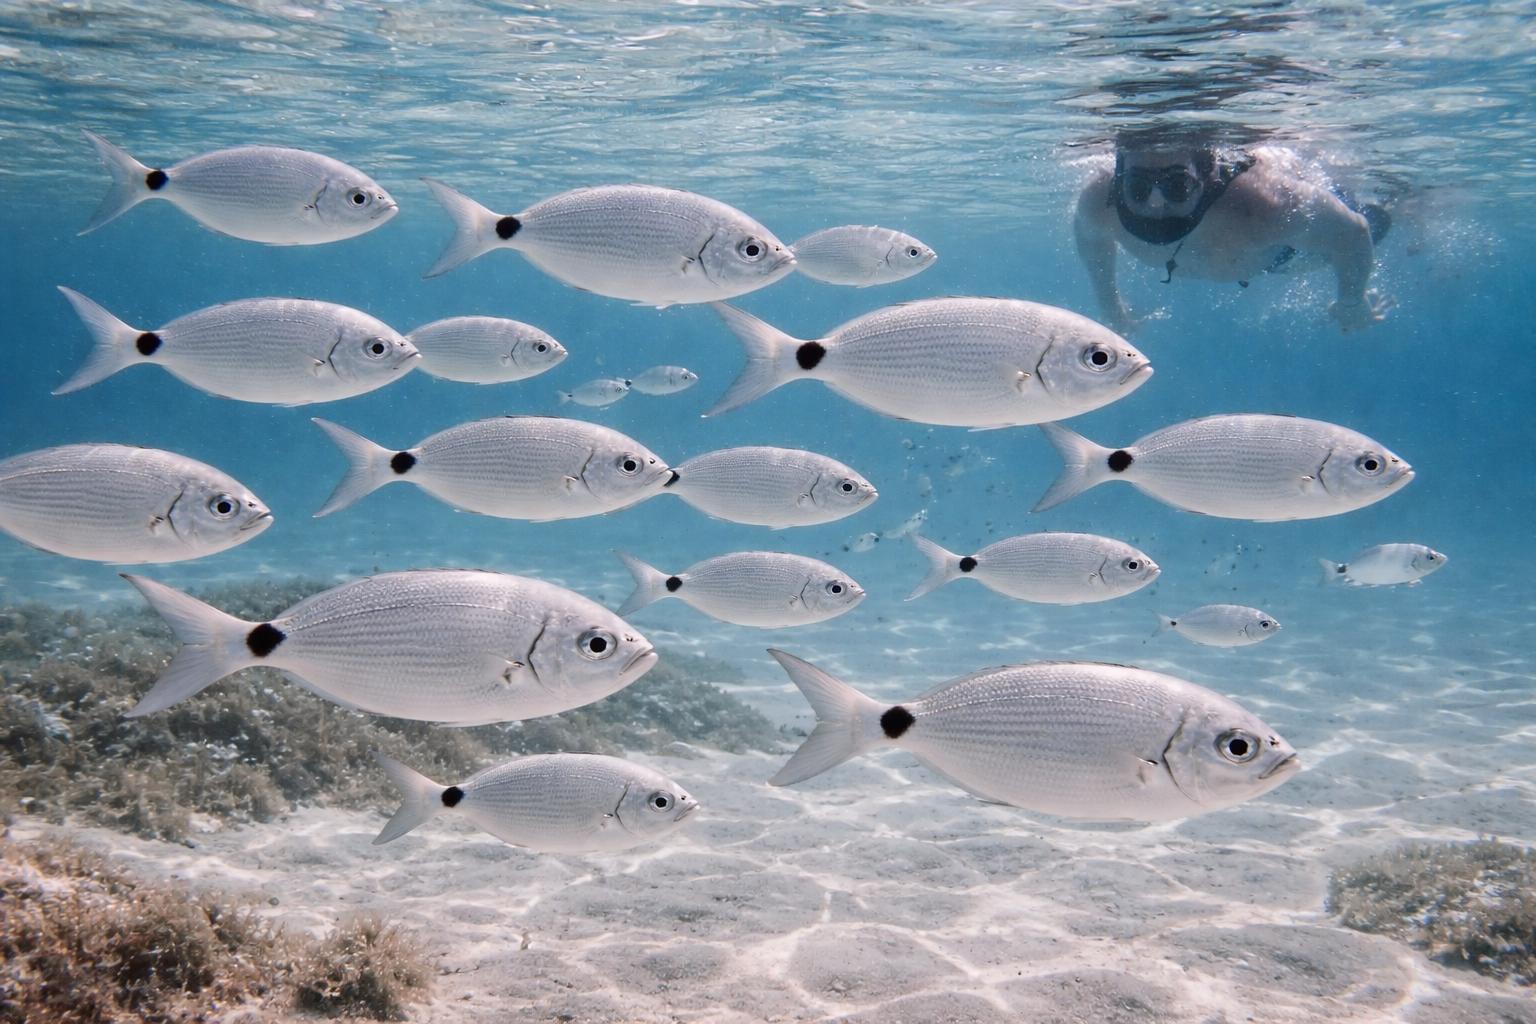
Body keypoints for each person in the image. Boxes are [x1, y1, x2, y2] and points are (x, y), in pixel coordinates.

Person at [1074, 137, 1392, 334]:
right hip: (1258, 255)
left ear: (1207, 178)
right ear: (1119, 179)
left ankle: (1409, 205)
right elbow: (1092, 241)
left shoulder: (1266, 204)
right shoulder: (1099, 203)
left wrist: (1352, 300)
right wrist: (1110, 303)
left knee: (1382, 217)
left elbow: (1352, 234)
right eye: (1138, 187)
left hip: (1287, 256)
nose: (1157, 203)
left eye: (1177, 185)